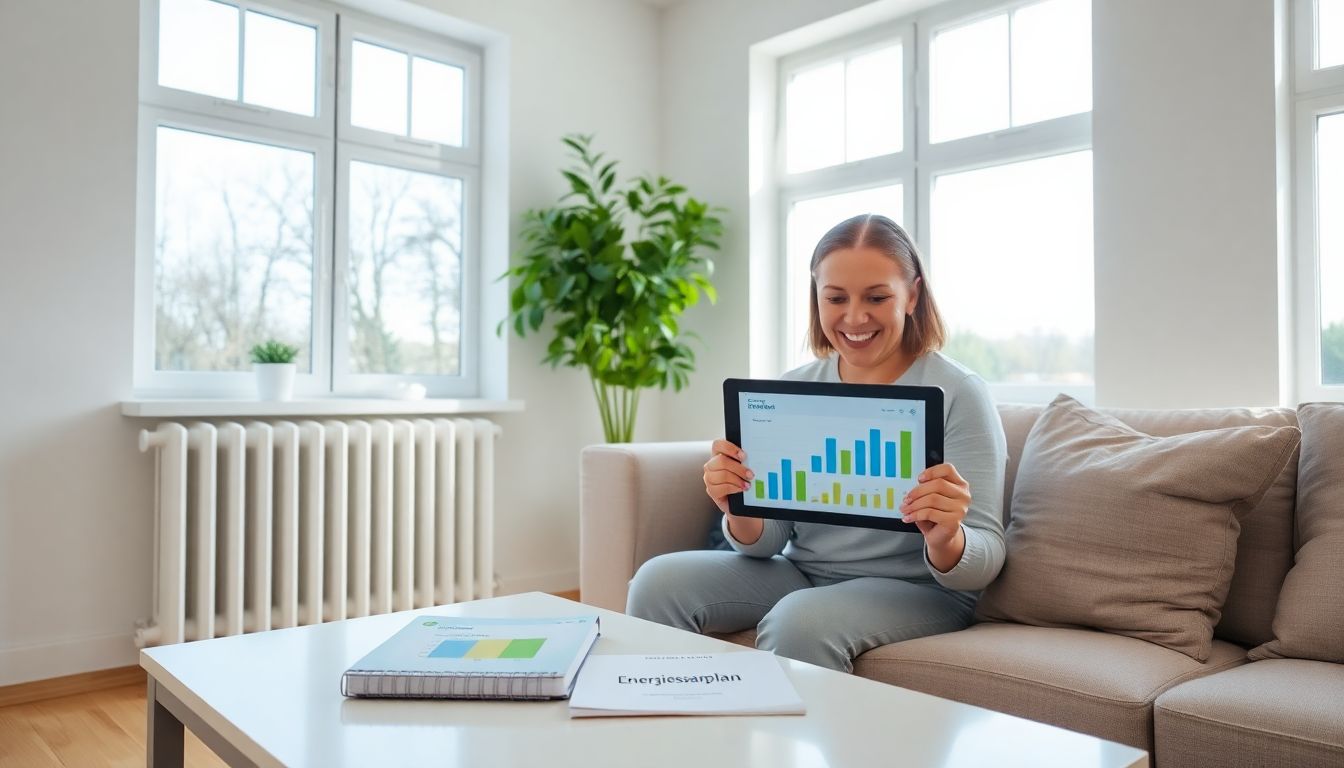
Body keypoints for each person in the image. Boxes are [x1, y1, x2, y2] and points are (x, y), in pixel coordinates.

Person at [625, 213, 1008, 673]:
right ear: (817, 299)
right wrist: (739, 506)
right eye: (836, 298)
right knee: (656, 580)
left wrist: (948, 536)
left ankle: (783, 747)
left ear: (913, 295)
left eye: (877, 297)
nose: (854, 317)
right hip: (802, 572)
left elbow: (985, 560)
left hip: (919, 590)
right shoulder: (796, 387)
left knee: (799, 621)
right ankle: (667, 730)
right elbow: (766, 543)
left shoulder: (959, 392)